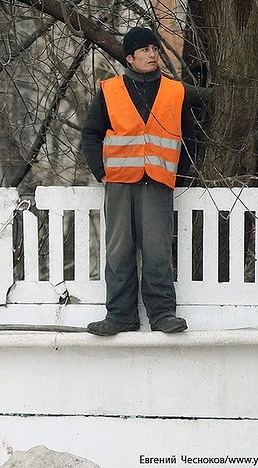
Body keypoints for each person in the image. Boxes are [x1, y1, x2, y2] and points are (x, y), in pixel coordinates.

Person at [81, 26, 196, 336]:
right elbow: (90, 133)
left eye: (154, 48)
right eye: (144, 50)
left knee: (158, 250)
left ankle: (162, 315)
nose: (152, 53)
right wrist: (100, 171)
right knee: (119, 250)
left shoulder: (175, 91)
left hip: (158, 181)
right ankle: (119, 316)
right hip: (119, 182)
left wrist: (181, 173)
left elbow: (190, 136)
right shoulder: (109, 90)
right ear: (129, 57)